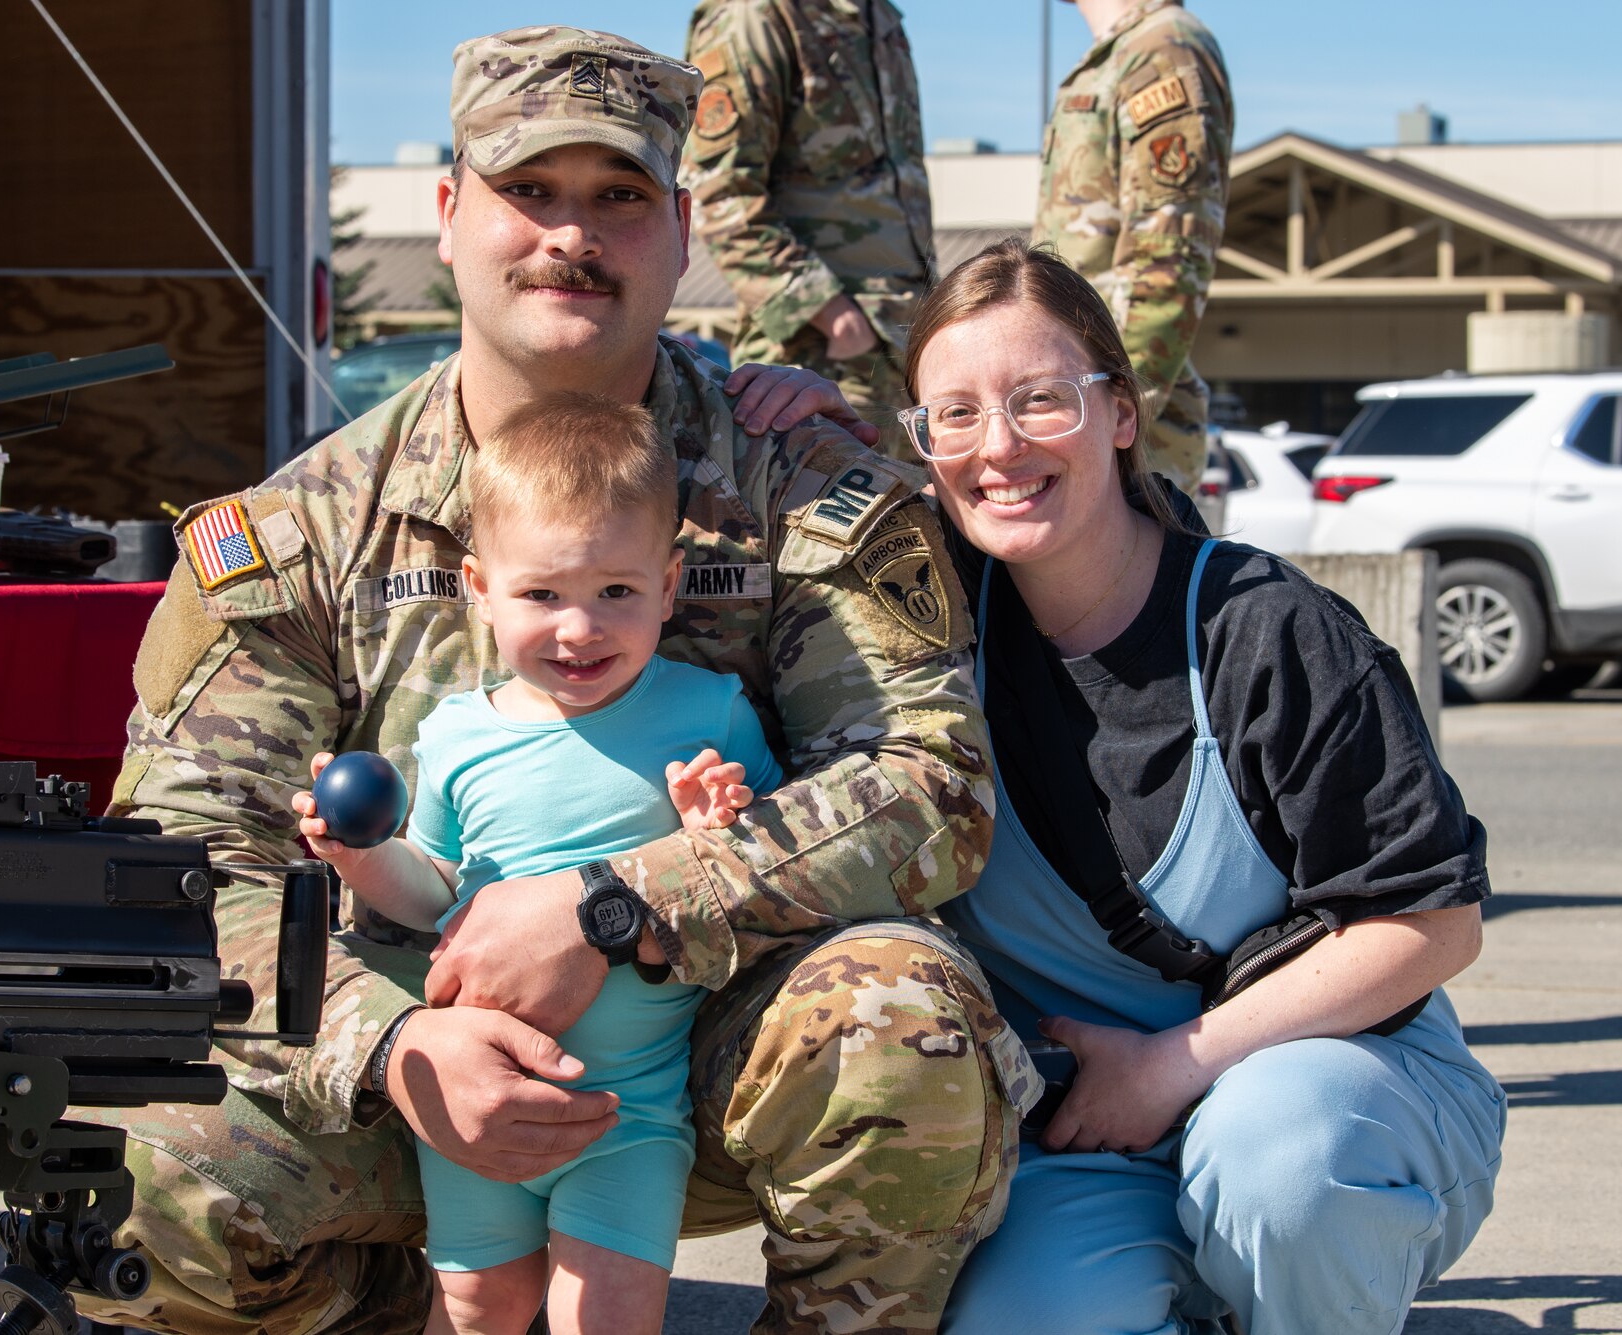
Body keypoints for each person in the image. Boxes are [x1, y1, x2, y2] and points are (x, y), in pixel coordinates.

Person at [87, 27, 1033, 1335]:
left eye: (619, 197)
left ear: (684, 231)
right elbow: (181, 856)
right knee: (118, 1170)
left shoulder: (802, 484)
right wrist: (393, 1043)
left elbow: (931, 784)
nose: (569, 236)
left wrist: (619, 900)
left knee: (904, 1022)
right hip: (399, 1084)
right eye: (530, 190)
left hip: (702, 1058)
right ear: (448, 214)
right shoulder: (301, 532)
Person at [898, 240, 1505, 1334]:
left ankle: (1318, 1279)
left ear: (1120, 413)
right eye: (953, 414)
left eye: (1040, 400)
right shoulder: (926, 650)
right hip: (1097, 1137)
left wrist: (1176, 1063)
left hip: (1329, 1094)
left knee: (1278, 1165)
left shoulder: (1265, 630)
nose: (996, 446)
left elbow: (1433, 922)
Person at [292, 393, 782, 1335]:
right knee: (477, 1303)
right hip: (481, 1098)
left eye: (618, 592)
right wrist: (358, 854)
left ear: (671, 586)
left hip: (627, 1112)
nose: (580, 628)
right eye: (542, 594)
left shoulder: (711, 712)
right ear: (479, 586)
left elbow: (760, 863)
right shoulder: (458, 734)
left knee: (606, 1312)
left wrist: (719, 817)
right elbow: (432, 888)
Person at [680, 0, 934, 462]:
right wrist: (832, 314)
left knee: (916, 525)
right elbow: (722, 192)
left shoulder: (880, 19)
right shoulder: (756, 15)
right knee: (828, 524)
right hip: (818, 356)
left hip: (907, 343)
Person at [1036, 0, 1233, 489]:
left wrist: (1111, 415)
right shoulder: (1125, 52)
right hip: (1087, 409)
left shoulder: (1161, 47)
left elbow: (1168, 258)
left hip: (1119, 437)